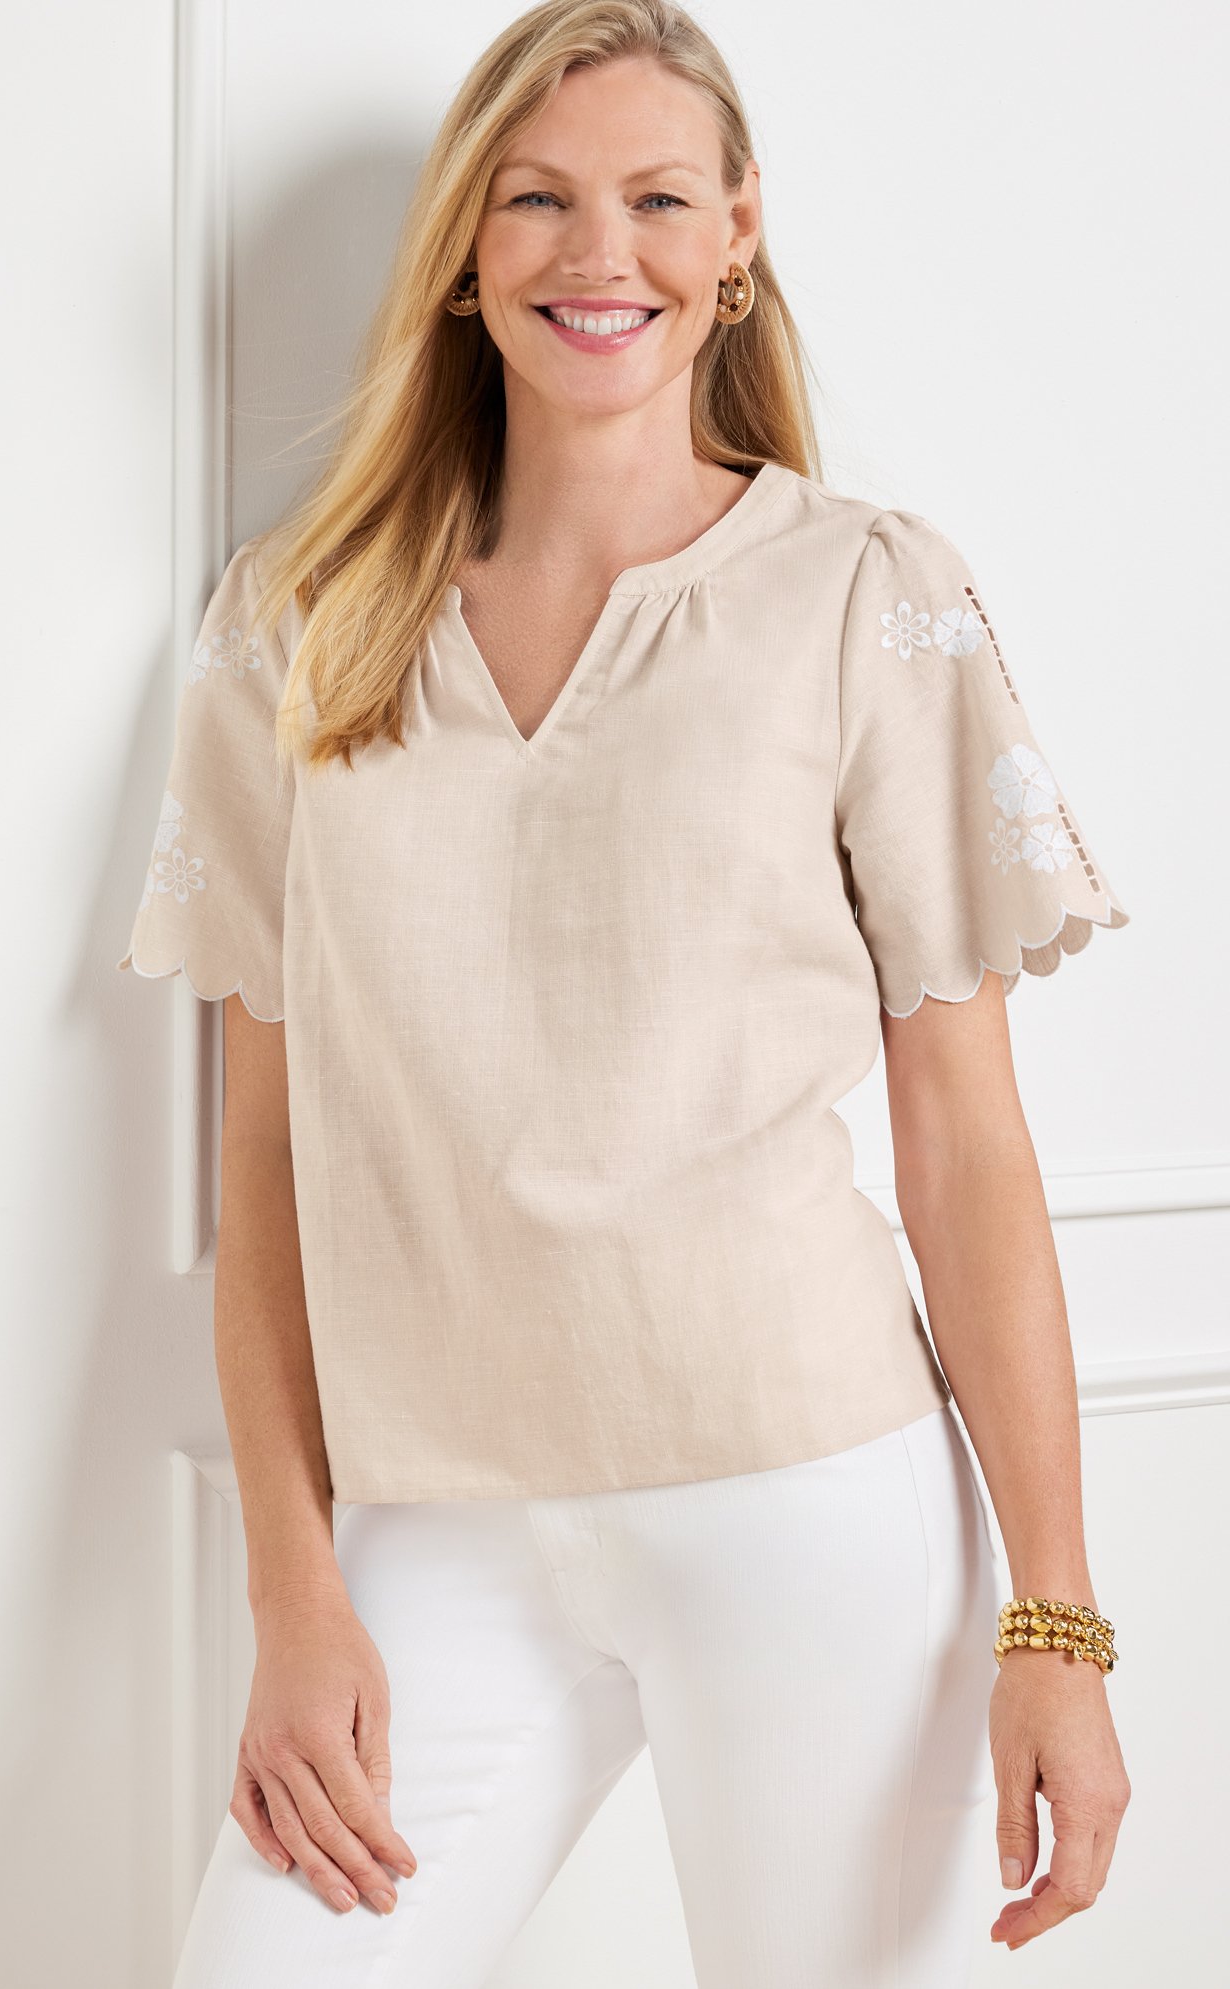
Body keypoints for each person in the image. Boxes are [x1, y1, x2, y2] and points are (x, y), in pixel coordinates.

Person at [116, 2, 1133, 1982]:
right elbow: (267, 1162)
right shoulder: (295, 624)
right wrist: (293, 1589)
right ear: (465, 245)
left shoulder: (864, 593)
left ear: (737, 233)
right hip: (430, 1524)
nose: (603, 254)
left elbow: (967, 1148)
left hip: (808, 1497)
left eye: (660, 199)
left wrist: (1056, 1623)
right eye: (538, 201)